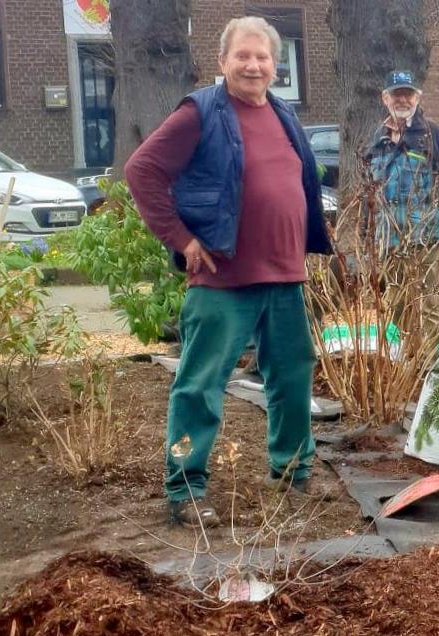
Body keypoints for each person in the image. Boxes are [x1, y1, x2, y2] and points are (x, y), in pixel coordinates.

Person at [125, 16, 333, 528]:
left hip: (284, 276)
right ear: (222, 61)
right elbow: (142, 170)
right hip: (223, 279)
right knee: (200, 385)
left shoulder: (284, 115)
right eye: (242, 55)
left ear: (275, 65)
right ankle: (186, 488)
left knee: (291, 376)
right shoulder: (200, 112)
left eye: (262, 57)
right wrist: (182, 240)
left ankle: (290, 472)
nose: (253, 65)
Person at [363, 70, 439, 332]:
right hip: (389, 239)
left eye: (408, 94)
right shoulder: (378, 140)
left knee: (429, 304)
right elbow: (368, 191)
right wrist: (367, 231)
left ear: (417, 98)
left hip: (425, 237)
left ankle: (435, 365)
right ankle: (408, 364)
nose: (403, 100)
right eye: (396, 94)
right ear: (385, 98)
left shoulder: (433, 135)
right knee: (398, 304)